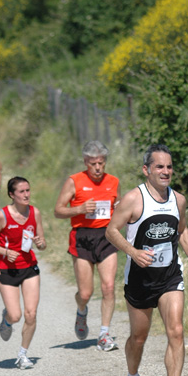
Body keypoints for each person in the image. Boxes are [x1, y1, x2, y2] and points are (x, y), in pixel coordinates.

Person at [106, 144, 188, 376]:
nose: (166, 172)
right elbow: (111, 231)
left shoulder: (179, 200)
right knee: (138, 338)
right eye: (159, 167)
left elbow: (182, 230)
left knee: (175, 330)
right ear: (146, 170)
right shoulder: (133, 199)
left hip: (169, 276)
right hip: (140, 279)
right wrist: (133, 252)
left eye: (169, 166)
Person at [54, 140, 121, 351]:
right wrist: (79, 209)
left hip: (107, 236)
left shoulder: (113, 181)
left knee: (108, 287)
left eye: (101, 163)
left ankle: (104, 334)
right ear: (85, 162)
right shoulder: (74, 181)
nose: (98, 168)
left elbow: (118, 205)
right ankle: (81, 311)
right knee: (85, 293)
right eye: (93, 164)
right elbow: (58, 210)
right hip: (82, 236)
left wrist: (119, 208)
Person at [0, 177, 47, 370]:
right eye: (21, 192)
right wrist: (5, 252)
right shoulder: (2, 215)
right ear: (11, 195)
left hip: (29, 267)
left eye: (28, 190)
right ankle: (6, 319)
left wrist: (41, 243)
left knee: (31, 314)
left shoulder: (35, 212)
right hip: (7, 269)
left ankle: (23, 354)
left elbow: (42, 242)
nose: (26, 195)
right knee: (16, 315)